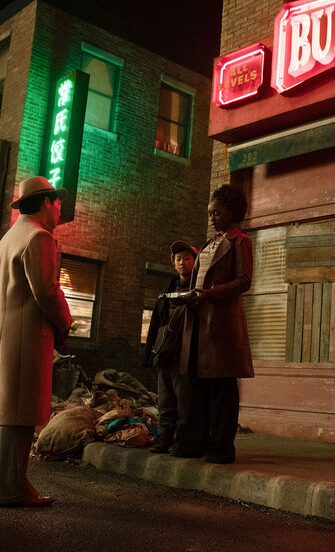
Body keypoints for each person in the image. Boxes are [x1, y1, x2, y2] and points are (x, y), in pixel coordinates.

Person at [0, 176, 72, 506]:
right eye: (57, 203)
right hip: (27, 334)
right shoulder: (39, 237)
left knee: (0, 410)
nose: (60, 210)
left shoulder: (4, 242)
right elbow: (45, 290)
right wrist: (66, 321)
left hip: (1, 334)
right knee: (20, 411)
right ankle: (9, 488)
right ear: (45, 202)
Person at [176, 184, 254, 464]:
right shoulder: (209, 244)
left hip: (220, 325)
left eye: (217, 213)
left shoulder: (239, 241)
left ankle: (221, 446)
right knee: (196, 384)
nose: (211, 218)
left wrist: (209, 294)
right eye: (209, 213)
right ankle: (196, 442)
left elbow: (244, 281)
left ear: (231, 212)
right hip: (198, 322)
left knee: (221, 386)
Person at [143, 240, 198, 453]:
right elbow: (156, 322)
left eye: (186, 258)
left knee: (185, 398)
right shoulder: (168, 287)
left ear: (194, 261)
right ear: (173, 263)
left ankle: (184, 441)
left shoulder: (198, 286)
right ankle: (164, 438)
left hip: (187, 352)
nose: (182, 262)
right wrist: (148, 353)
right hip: (166, 351)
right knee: (165, 398)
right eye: (178, 259)